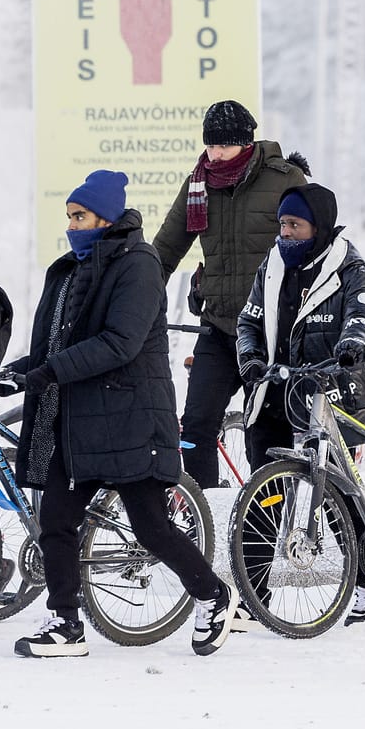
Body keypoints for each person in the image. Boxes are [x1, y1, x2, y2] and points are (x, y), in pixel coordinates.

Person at [8, 170, 239, 658]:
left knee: (151, 526)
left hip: (131, 416)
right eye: (69, 217)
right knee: (56, 519)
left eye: (80, 217)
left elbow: (119, 342)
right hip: (79, 420)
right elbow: (58, 345)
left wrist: (49, 372)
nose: (72, 226)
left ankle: (213, 595)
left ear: (106, 218)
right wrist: (15, 372)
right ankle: (66, 624)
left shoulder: (138, 264)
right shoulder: (72, 269)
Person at [235, 183, 365, 624]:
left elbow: (363, 315)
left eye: (295, 225)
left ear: (318, 228)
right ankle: (254, 593)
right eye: (282, 224)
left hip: (328, 395)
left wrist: (353, 346)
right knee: (263, 494)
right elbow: (250, 319)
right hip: (274, 392)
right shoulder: (273, 266)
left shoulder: (349, 269)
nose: (286, 233)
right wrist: (249, 356)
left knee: (340, 492)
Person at [151, 100, 309, 488]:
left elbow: (313, 248)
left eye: (223, 146)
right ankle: (208, 521)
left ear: (245, 143)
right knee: (195, 430)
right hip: (219, 327)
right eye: (210, 146)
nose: (214, 154)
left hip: (271, 333)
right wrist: (137, 289)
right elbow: (166, 248)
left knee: (265, 439)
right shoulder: (199, 183)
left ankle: (261, 531)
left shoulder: (284, 179)